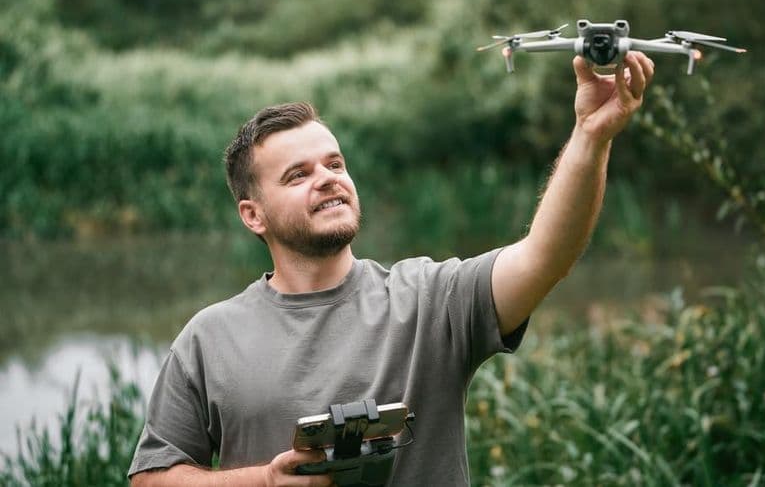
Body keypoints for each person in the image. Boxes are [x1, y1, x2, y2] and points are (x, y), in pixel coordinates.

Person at [128, 52, 654, 486]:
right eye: (297, 175)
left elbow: (546, 255)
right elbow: (151, 477)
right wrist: (264, 482)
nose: (328, 178)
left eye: (335, 163)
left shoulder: (431, 299)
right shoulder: (209, 338)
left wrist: (591, 136)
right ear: (253, 215)